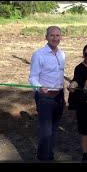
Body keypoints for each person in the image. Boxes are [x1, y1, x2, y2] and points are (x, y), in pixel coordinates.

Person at [29, 26, 65, 161]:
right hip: (45, 97)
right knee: (46, 131)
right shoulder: (39, 54)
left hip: (59, 96)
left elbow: (60, 75)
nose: (55, 38)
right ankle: (44, 158)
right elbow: (32, 77)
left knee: (54, 129)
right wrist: (39, 87)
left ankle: (49, 155)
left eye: (57, 35)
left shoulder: (62, 54)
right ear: (46, 37)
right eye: (52, 35)